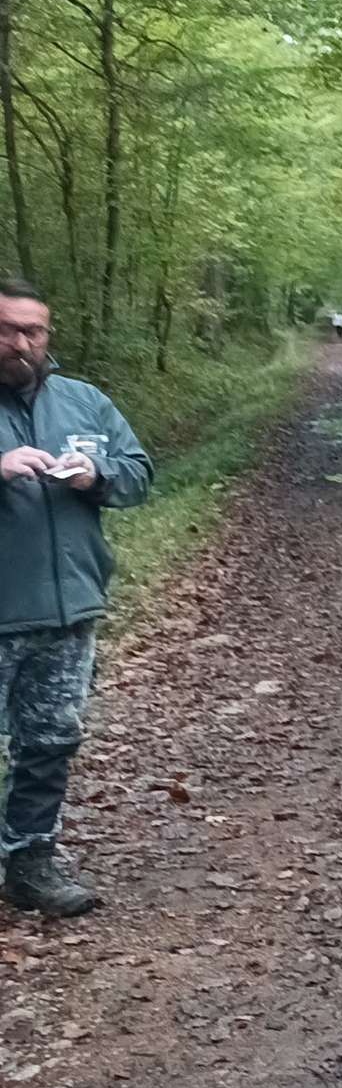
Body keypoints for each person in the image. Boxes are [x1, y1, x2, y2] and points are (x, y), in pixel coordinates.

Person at [0, 277, 152, 916]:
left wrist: (97, 476)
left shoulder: (84, 401)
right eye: (7, 329)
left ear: (48, 335)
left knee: (49, 743)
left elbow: (139, 474)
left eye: (32, 331)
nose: (20, 343)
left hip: (68, 608)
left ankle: (29, 863)